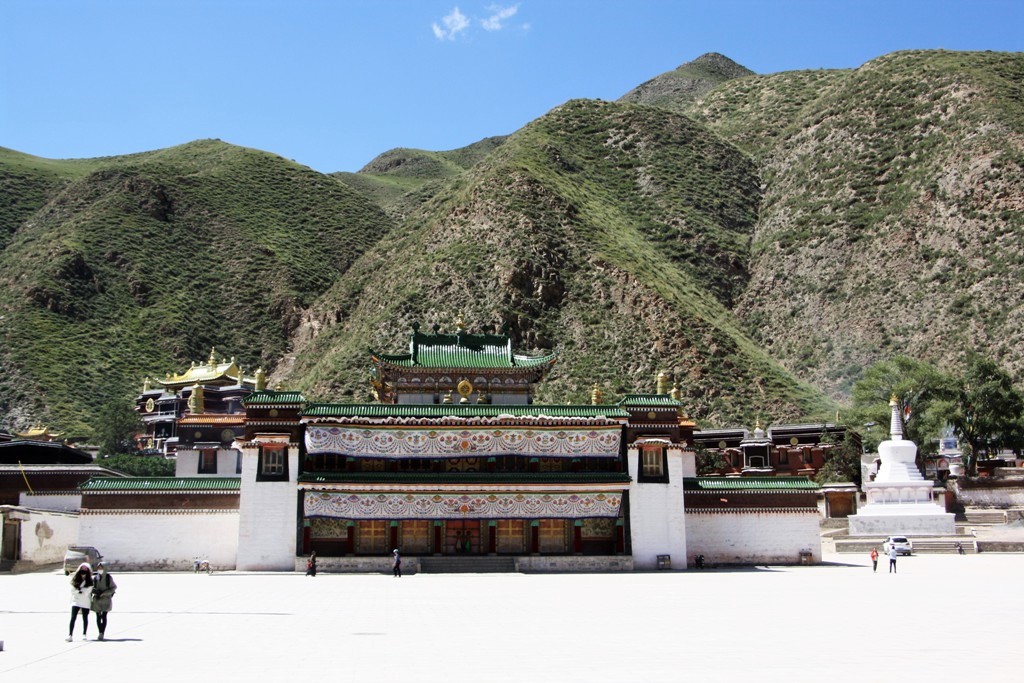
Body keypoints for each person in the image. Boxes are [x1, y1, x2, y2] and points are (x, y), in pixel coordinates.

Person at [90, 561, 117, 641]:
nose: (100, 569)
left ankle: (102, 632)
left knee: (104, 616)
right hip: (97, 600)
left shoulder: (108, 578)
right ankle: (100, 632)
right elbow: (91, 587)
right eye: (99, 568)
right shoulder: (95, 578)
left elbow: (113, 588)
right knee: (98, 616)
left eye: (101, 568)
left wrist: (105, 593)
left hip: (106, 599)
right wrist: (94, 591)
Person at [67, 562, 93, 641]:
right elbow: (72, 589)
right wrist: (78, 590)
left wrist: (81, 590)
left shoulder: (90, 580)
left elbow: (88, 590)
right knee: (73, 617)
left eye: (85, 569)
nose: (83, 571)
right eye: (82, 569)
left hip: (85, 601)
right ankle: (70, 635)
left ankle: (84, 634)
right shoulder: (75, 578)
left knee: (85, 617)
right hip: (76, 600)